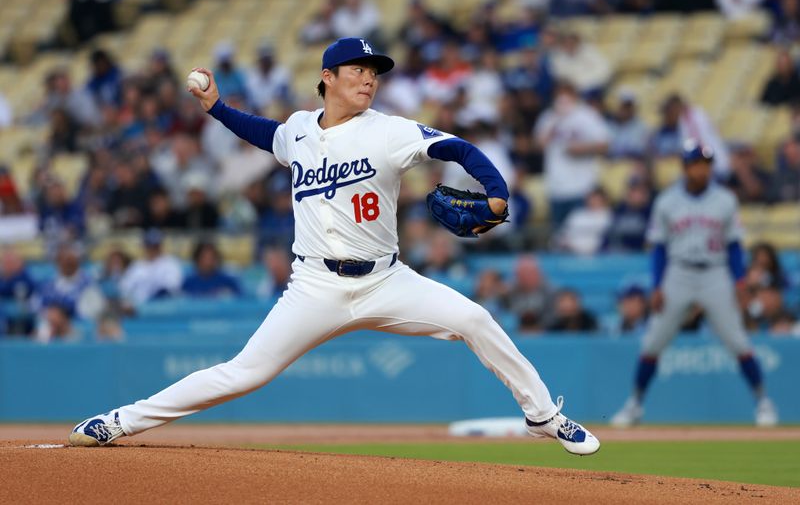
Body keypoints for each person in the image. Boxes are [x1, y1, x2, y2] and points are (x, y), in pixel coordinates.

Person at [69, 37, 599, 455]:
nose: (368, 79)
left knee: (476, 320)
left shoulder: (388, 131)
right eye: (357, 71)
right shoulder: (299, 129)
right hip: (315, 285)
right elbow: (264, 132)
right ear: (328, 77)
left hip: (386, 280)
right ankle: (121, 421)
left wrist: (498, 194)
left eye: (374, 73)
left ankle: (542, 418)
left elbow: (456, 147)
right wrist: (215, 107)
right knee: (243, 374)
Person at [611, 141, 778, 427]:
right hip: (679, 272)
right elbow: (660, 248)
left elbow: (734, 245)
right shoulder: (667, 201)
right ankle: (635, 403)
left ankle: (763, 402)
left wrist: (739, 280)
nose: (702, 169)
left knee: (737, 340)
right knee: (653, 341)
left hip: (715, 272)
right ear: (686, 166)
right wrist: (659, 285)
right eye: (696, 163)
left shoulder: (725, 199)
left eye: (706, 164)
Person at [535, 81, 610, 226]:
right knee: (560, 239)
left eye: (566, 94)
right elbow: (538, 145)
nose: (562, 98)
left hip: (582, 188)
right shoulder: (548, 117)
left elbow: (604, 144)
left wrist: (582, 149)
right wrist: (554, 123)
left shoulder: (587, 115)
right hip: (556, 189)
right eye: (559, 94)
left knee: (580, 236)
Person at [118, 229, 183, 306]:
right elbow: (124, 288)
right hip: (139, 307)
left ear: (160, 246)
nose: (152, 249)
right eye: (149, 245)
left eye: (155, 246)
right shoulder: (136, 265)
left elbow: (172, 288)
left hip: (162, 307)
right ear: (144, 246)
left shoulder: (171, 263)